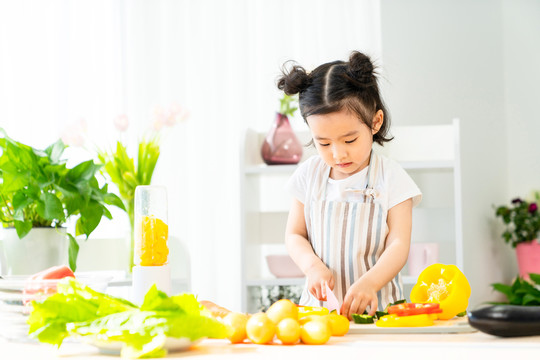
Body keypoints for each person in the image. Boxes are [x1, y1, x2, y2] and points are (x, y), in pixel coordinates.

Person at [279, 51, 422, 319]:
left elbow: (399, 244)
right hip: (318, 314)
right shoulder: (309, 175)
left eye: (349, 140)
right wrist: (312, 267)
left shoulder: (392, 177)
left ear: (375, 122)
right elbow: (294, 235)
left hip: (379, 312)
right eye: (323, 143)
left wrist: (370, 282)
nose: (337, 154)